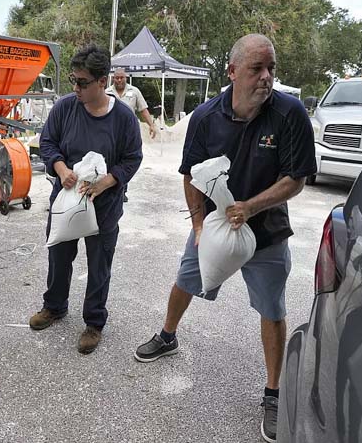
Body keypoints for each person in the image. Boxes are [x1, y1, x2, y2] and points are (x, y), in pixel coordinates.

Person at [132, 34, 316, 443]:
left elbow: (295, 179)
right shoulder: (205, 117)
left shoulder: (290, 114)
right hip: (215, 225)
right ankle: (167, 335)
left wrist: (251, 207)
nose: (266, 77)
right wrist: (199, 227)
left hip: (266, 233)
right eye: (256, 69)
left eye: (271, 68)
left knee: (272, 308)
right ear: (232, 72)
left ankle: (273, 392)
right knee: (185, 279)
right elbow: (191, 175)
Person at [28, 44, 143, 354]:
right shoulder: (65, 108)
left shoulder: (123, 118)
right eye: (73, 80)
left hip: (104, 206)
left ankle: (94, 322)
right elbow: (48, 143)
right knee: (59, 255)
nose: (75, 87)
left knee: (99, 263)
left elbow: (132, 158)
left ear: (102, 82)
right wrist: (61, 168)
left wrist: (107, 181)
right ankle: (54, 306)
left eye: (82, 82)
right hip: (65, 200)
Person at [105, 67, 156, 202]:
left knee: (126, 161)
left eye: (122, 77)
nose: (119, 80)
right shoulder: (107, 92)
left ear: (126, 78)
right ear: (113, 78)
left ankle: (122, 189)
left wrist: (152, 125)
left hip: (128, 133)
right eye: (117, 78)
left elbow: (143, 109)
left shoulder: (134, 92)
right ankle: (112, 186)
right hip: (111, 132)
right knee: (112, 160)